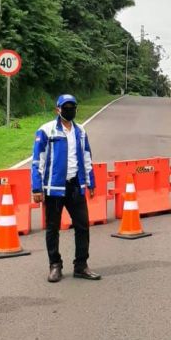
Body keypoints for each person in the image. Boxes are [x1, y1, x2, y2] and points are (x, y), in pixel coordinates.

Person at [31, 94, 101, 283]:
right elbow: (38, 160)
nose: (69, 110)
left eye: (72, 107)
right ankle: (55, 265)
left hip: (75, 186)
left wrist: (91, 182)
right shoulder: (46, 131)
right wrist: (37, 188)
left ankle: (81, 265)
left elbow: (87, 158)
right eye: (66, 107)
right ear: (58, 109)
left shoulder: (81, 132)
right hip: (54, 188)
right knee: (53, 228)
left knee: (82, 225)